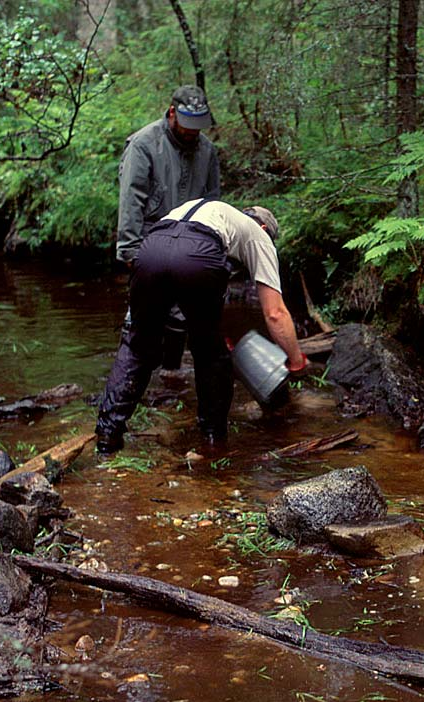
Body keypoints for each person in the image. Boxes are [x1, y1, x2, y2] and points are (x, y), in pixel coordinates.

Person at [95, 199, 308, 454]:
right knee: (210, 354)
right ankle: (212, 441)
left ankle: (107, 436)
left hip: (151, 248)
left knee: (138, 347)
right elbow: (275, 313)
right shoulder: (257, 236)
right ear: (264, 228)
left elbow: (182, 280)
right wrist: (296, 361)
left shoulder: (217, 214)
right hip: (197, 253)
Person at [116, 85, 221, 370]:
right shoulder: (143, 144)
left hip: (191, 249)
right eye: (187, 125)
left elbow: (213, 203)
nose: (192, 132)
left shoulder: (207, 152)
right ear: (172, 112)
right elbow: (131, 199)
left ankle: (170, 379)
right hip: (151, 244)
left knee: (181, 317)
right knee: (141, 318)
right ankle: (130, 383)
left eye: (198, 126)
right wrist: (129, 251)